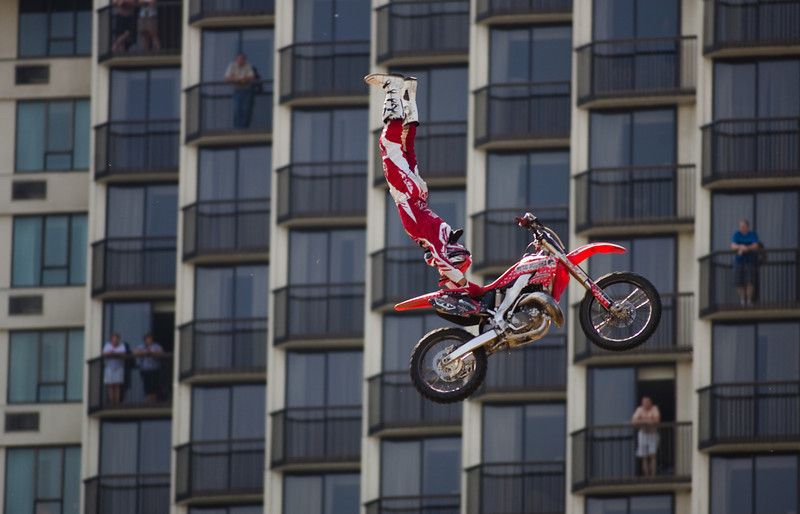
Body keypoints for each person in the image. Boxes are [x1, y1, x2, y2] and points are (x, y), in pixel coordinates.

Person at [365, 73, 472, 289]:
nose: (434, 264)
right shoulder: (437, 240)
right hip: (406, 192)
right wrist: (460, 281)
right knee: (388, 144)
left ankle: (409, 93)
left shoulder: (443, 231)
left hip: (418, 193)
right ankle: (393, 88)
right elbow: (441, 260)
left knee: (406, 145)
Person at [731, 219, 760, 306]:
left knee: (750, 281)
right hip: (739, 261)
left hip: (750, 261)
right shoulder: (737, 234)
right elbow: (732, 246)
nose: (741, 228)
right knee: (739, 282)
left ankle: (749, 300)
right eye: (740, 226)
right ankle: (742, 300)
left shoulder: (752, 234)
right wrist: (741, 246)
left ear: (747, 227)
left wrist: (747, 248)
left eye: (743, 226)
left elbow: (756, 245)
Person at [631, 396, 661, 477]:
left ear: (650, 403)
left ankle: (653, 476)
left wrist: (642, 420)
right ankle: (646, 476)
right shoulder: (639, 409)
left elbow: (656, 420)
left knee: (652, 456)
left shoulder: (654, 408)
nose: (645, 404)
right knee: (644, 456)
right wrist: (648, 421)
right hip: (643, 434)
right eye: (644, 402)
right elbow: (633, 421)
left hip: (653, 434)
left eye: (647, 402)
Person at [225, 53, 256, 129]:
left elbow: (251, 78)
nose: (240, 61)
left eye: (242, 60)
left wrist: (239, 79)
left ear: (244, 60)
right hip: (237, 90)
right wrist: (239, 79)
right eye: (239, 59)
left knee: (246, 110)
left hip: (247, 90)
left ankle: (245, 128)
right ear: (236, 60)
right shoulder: (232, 66)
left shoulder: (248, 66)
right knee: (237, 109)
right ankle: (237, 128)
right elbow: (227, 78)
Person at [134, 332, 163, 403]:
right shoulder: (141, 346)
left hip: (154, 369)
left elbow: (161, 352)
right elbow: (134, 352)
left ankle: (153, 401)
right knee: (147, 386)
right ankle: (149, 401)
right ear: (145, 340)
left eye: (150, 339)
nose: (148, 340)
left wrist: (152, 352)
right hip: (145, 369)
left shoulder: (156, 346)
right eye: (147, 339)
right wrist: (144, 352)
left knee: (154, 386)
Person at [102, 332, 127, 405]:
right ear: (111, 339)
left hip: (119, 368)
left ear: (119, 339)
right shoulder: (107, 345)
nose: (115, 340)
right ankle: (111, 402)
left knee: (117, 386)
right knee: (110, 385)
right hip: (109, 368)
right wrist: (112, 354)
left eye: (116, 338)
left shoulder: (122, 346)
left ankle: (117, 402)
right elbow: (104, 353)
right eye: (113, 338)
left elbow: (123, 354)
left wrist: (114, 353)